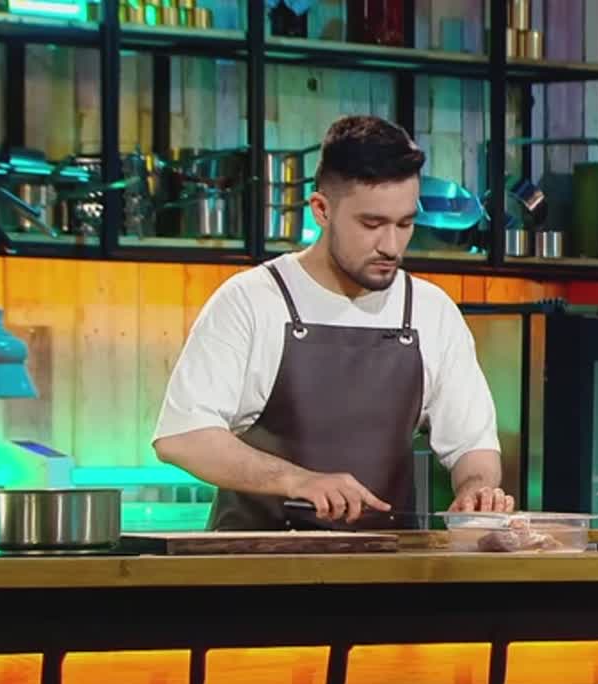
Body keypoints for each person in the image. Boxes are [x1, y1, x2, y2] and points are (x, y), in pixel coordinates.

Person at [152, 115, 512, 531]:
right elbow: (184, 437)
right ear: (321, 210)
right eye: (371, 224)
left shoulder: (431, 312)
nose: (391, 246)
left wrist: (476, 488)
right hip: (256, 564)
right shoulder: (252, 301)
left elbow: (473, 445)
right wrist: (298, 480)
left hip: (385, 562)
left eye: (405, 224)